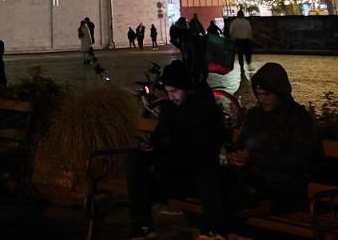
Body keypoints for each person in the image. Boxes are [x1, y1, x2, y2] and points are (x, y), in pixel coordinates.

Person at [126, 60, 225, 237]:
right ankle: (142, 226)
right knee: (135, 158)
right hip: (171, 172)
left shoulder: (205, 110)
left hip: (194, 176)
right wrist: (150, 145)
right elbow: (158, 136)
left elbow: (206, 150)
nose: (170, 97)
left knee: (206, 170)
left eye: (174, 91)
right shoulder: (170, 109)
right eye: (168, 91)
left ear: (187, 88)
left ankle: (211, 230)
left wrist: (169, 150)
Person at [226, 62, 319, 217]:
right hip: (254, 177)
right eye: (259, 94)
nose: (262, 99)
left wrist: (254, 159)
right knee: (215, 179)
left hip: (282, 182)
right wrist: (235, 156)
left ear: (280, 92)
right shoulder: (256, 115)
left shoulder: (298, 118)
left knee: (238, 198)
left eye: (267, 94)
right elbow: (242, 144)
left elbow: (300, 160)